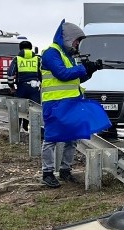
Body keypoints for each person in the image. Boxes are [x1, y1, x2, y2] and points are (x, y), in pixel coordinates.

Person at [40, 20, 111, 187]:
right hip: (54, 104)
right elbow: (63, 74)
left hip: (70, 102)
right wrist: (84, 68)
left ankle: (65, 170)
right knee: (51, 138)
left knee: (72, 137)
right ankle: (47, 173)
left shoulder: (67, 56)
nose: (78, 45)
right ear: (68, 38)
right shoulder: (51, 53)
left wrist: (91, 69)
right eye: (77, 41)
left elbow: (76, 77)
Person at [6, 40, 41, 131]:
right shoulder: (37, 59)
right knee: (35, 109)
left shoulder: (17, 59)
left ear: (20, 49)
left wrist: (11, 86)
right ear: (31, 48)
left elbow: (10, 73)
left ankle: (16, 131)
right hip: (35, 87)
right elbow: (42, 74)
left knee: (19, 108)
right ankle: (31, 129)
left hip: (21, 87)